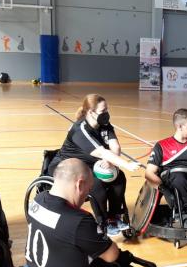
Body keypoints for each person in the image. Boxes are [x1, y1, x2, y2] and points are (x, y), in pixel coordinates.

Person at [25, 158, 134, 267]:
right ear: (80, 184)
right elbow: (111, 255)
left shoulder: (37, 201)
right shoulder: (78, 220)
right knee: (120, 264)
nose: (85, 197)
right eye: (88, 190)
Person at [49, 94, 140, 236]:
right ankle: (102, 222)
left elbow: (115, 147)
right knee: (96, 183)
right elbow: (103, 152)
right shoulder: (80, 129)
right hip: (67, 167)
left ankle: (113, 218)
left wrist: (110, 162)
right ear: (91, 112)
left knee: (119, 178)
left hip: (90, 165)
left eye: (107, 110)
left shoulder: (105, 125)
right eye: (103, 111)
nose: (106, 114)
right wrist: (126, 164)